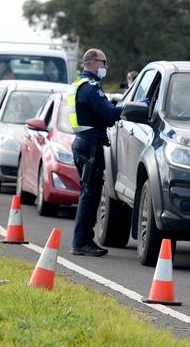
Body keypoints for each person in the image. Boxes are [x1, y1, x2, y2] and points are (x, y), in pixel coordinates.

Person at [67, 48, 123, 257]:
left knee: (88, 192)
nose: (105, 67)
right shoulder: (90, 87)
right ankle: (82, 242)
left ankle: (82, 240)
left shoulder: (80, 85)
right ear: (91, 62)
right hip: (89, 146)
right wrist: (126, 109)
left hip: (84, 143)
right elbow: (108, 114)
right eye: (103, 62)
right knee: (90, 194)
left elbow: (101, 114)